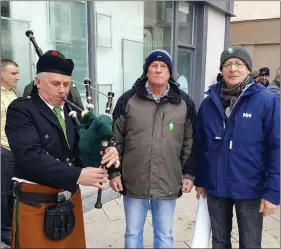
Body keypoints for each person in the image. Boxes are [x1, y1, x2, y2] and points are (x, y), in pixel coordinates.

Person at [5, 50, 120, 248]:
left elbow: (81, 150)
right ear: (38, 82)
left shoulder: (71, 110)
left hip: (70, 200)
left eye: (66, 84)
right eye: (55, 84)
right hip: (36, 204)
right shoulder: (21, 110)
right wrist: (77, 175)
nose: (62, 90)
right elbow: (30, 156)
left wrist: (109, 150)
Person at [109, 49, 197, 248]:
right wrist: (114, 172)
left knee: (165, 235)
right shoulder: (128, 100)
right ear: (146, 71)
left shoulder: (183, 102)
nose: (158, 70)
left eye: (163, 66)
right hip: (133, 180)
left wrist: (189, 174)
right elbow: (115, 140)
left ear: (170, 72)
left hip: (168, 179)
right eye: (154, 66)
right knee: (132, 233)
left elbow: (190, 141)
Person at [195, 46, 280, 248]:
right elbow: (200, 144)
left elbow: (276, 147)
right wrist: (200, 179)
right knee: (219, 241)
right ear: (221, 70)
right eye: (227, 64)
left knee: (250, 243)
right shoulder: (209, 103)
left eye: (238, 64)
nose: (233, 69)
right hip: (216, 185)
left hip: (250, 186)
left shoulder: (266, 101)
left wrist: (272, 193)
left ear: (249, 69)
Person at [1, 59, 20, 246]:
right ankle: (4, 231)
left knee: (14, 191)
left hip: (17, 150)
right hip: (3, 150)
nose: (17, 77)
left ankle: (13, 226)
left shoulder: (14, 93)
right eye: (13, 73)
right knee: (3, 192)